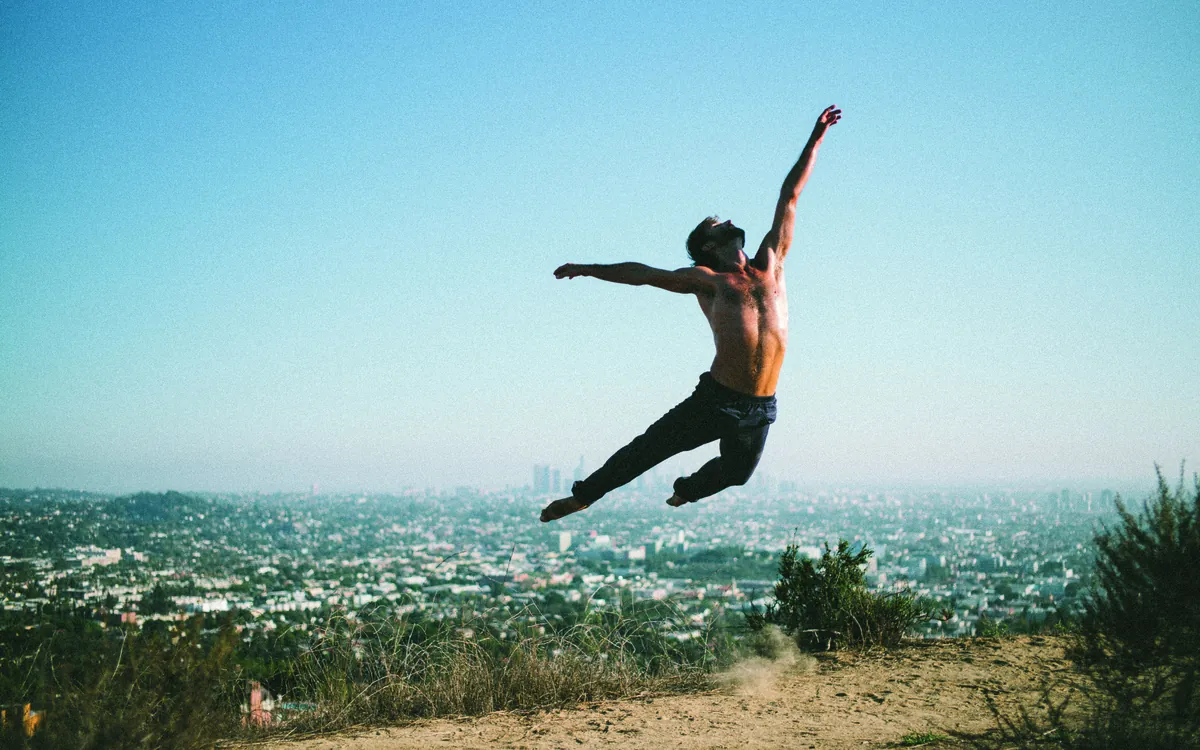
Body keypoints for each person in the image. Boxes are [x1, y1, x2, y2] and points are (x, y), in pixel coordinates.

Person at [541, 105, 842, 523]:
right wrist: (588, 269)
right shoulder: (708, 281)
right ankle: (583, 496)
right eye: (719, 224)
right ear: (708, 244)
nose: (731, 220)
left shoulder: (773, 261)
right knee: (649, 448)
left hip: (759, 406)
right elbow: (644, 274)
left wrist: (815, 139)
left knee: (737, 474)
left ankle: (687, 490)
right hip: (716, 400)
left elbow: (789, 195)